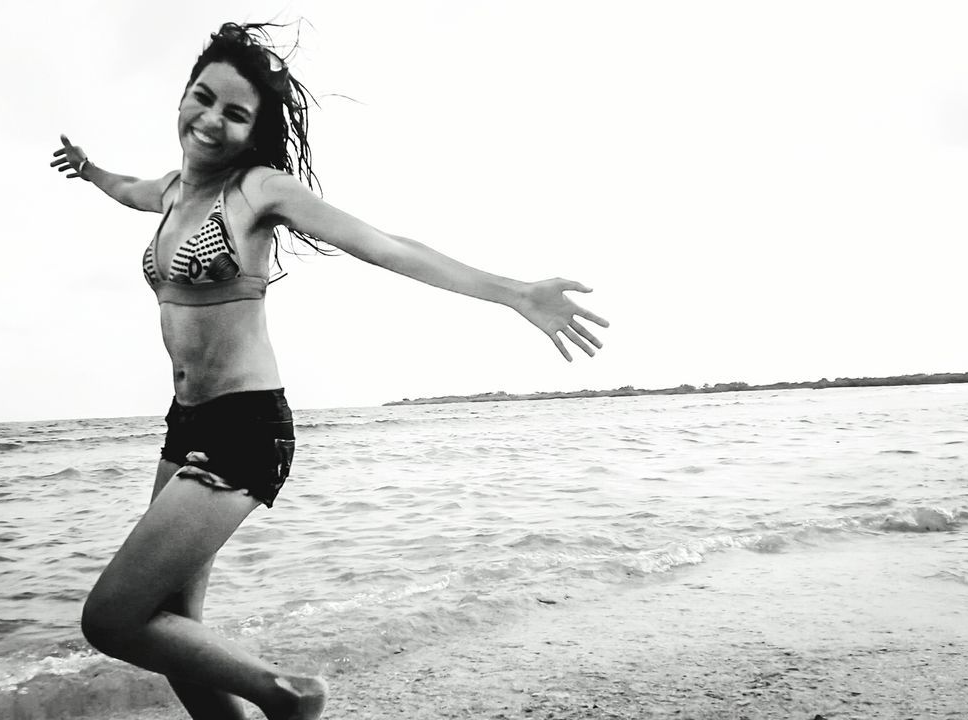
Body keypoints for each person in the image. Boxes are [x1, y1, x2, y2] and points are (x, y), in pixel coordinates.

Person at [50, 22, 608, 720]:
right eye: (203, 97)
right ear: (183, 97)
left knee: (112, 619)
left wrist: (515, 292)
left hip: (243, 429)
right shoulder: (168, 193)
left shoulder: (256, 191)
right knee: (173, 630)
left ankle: (291, 695)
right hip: (183, 426)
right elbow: (126, 188)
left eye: (235, 113)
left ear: (253, 132)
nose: (211, 119)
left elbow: (383, 245)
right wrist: (90, 168)